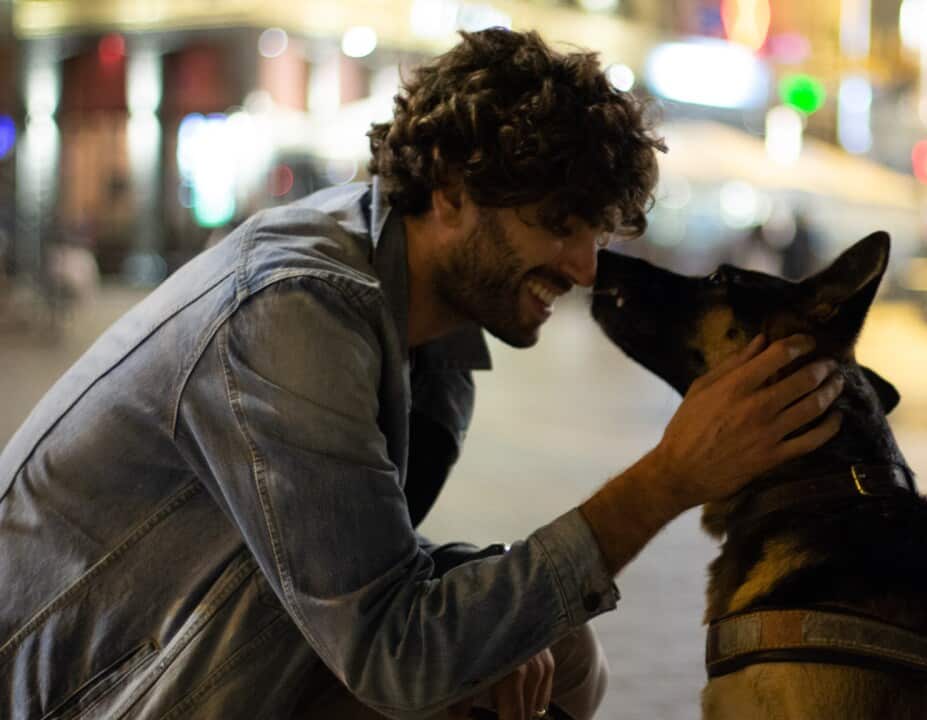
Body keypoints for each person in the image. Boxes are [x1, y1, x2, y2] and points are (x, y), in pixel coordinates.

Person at [0, 29, 844, 720]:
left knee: (555, 651)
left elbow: (359, 564)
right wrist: (670, 478)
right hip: (79, 691)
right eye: (558, 224)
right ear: (448, 189)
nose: (587, 269)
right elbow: (393, 652)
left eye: (598, 233)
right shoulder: (297, 310)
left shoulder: (429, 327)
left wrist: (486, 618)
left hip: (204, 650)